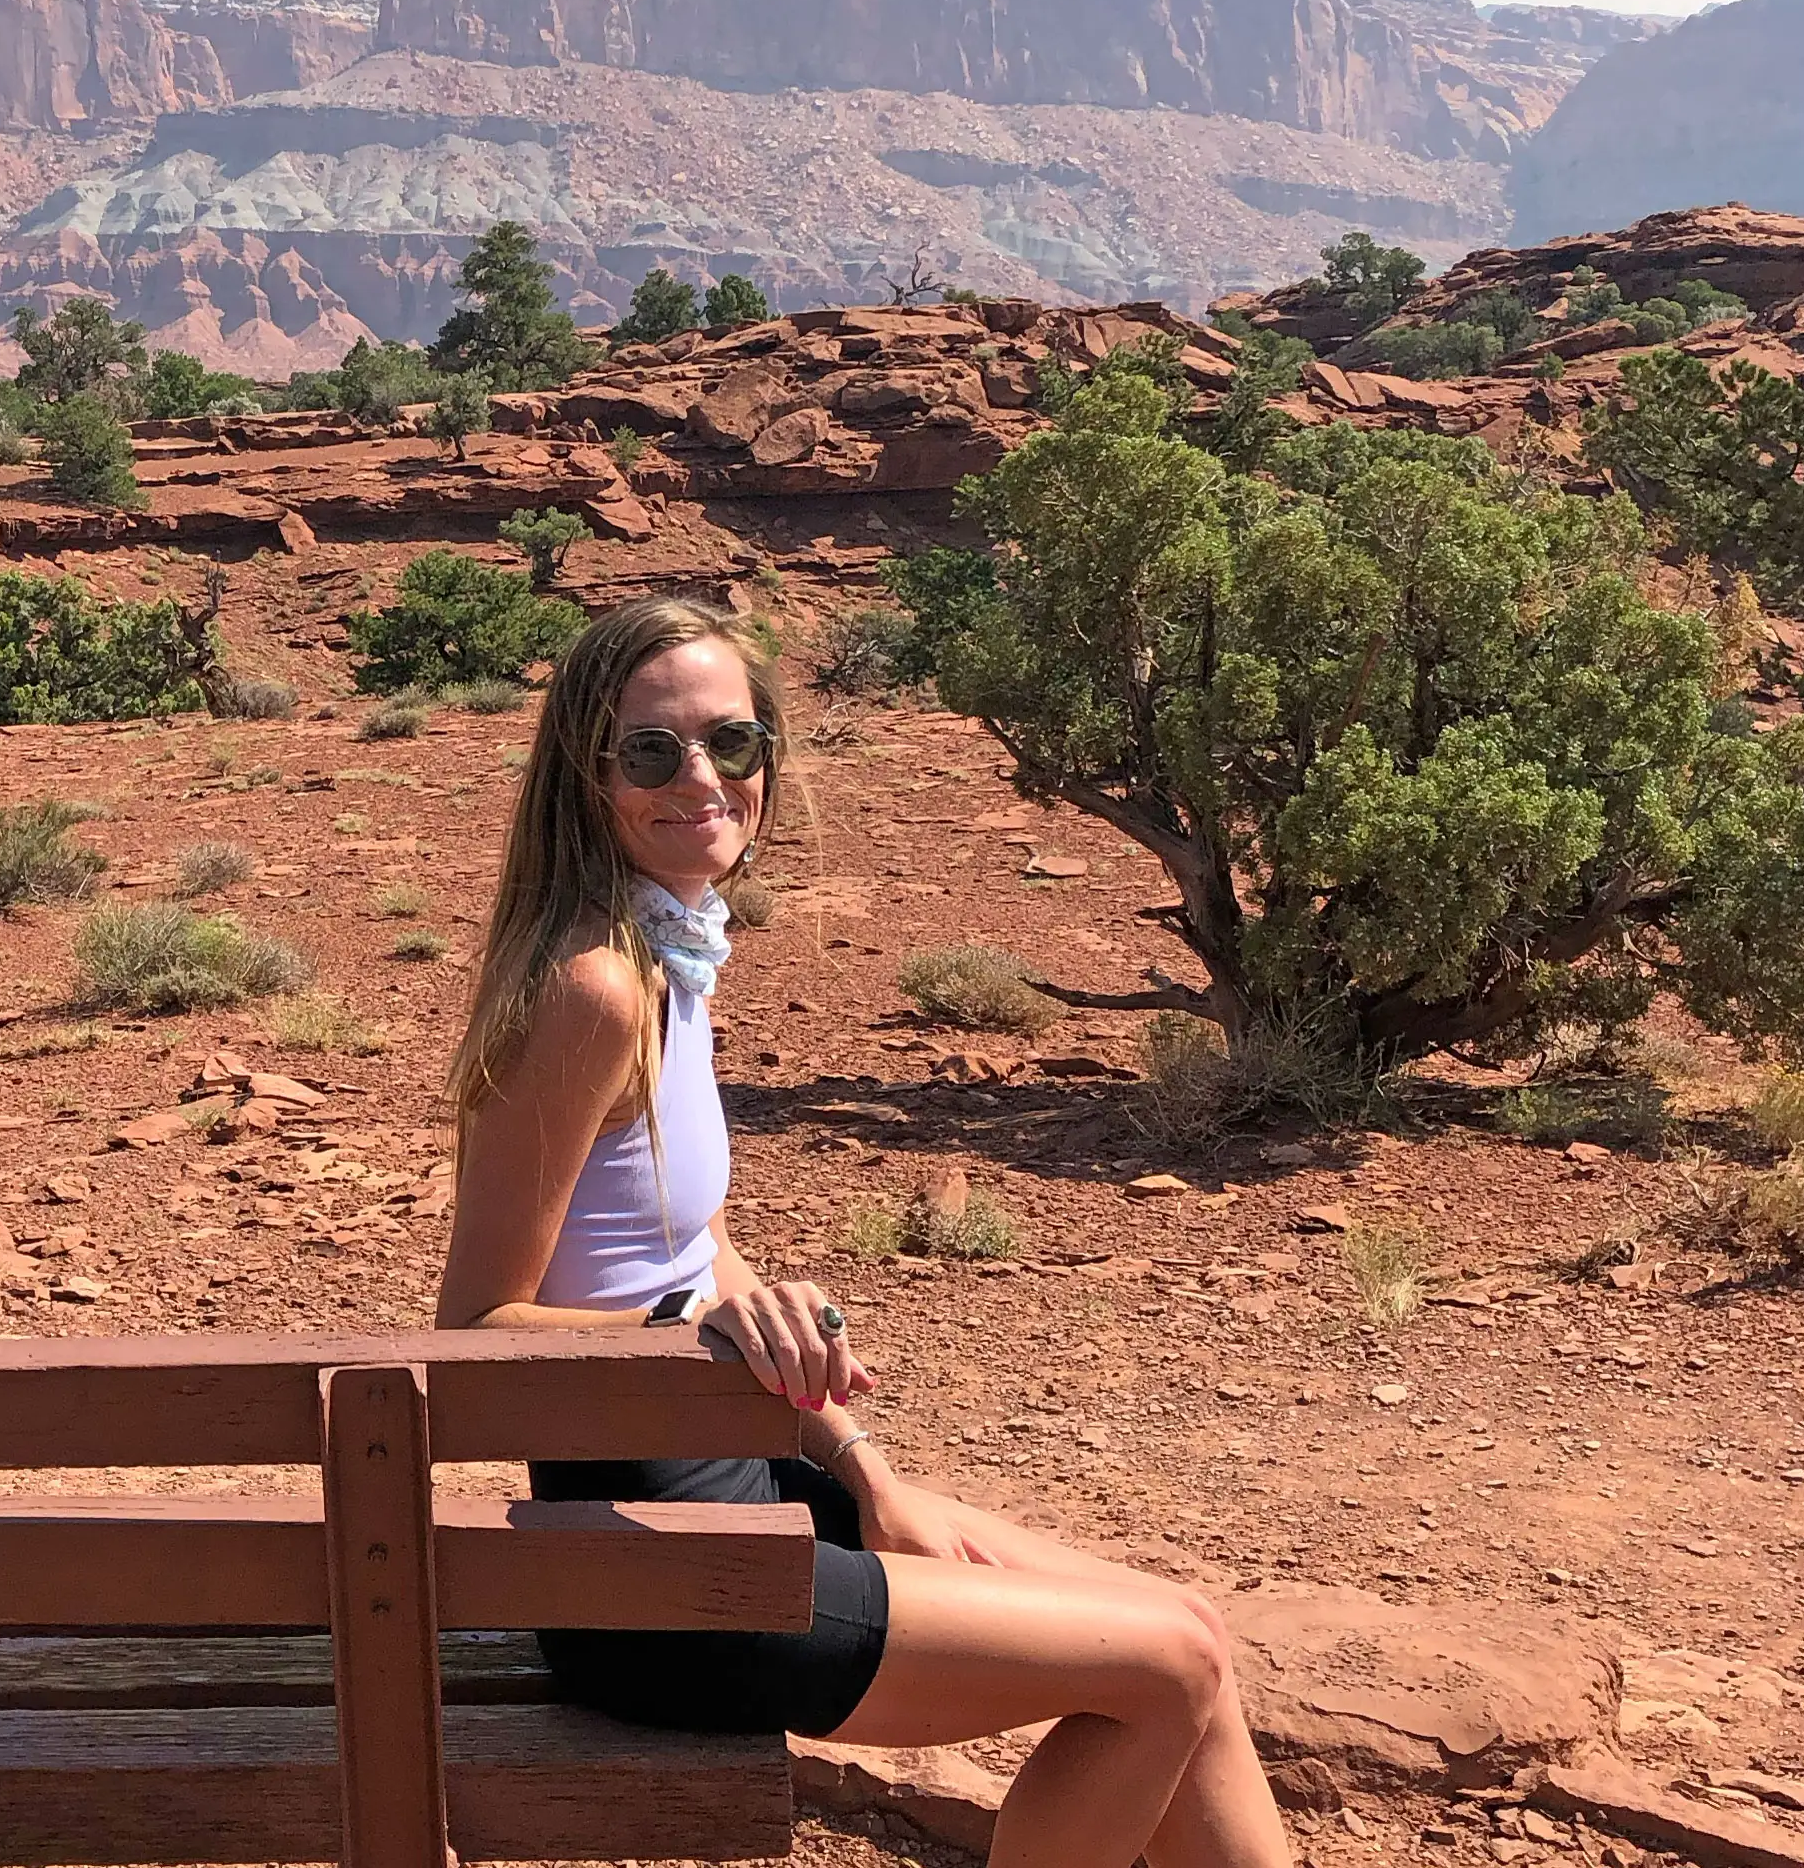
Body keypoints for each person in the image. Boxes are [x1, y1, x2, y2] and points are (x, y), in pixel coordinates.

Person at [436, 595, 1290, 1868]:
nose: (701, 780)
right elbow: (472, 1334)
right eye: (650, 752)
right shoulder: (593, 988)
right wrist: (695, 1343)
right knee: (1162, 1670)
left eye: (730, 743)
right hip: (650, 1573)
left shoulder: (666, 954)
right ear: (586, 775)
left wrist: (862, 1467)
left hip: (738, 1492)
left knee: (1188, 1637)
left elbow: (689, 1257)